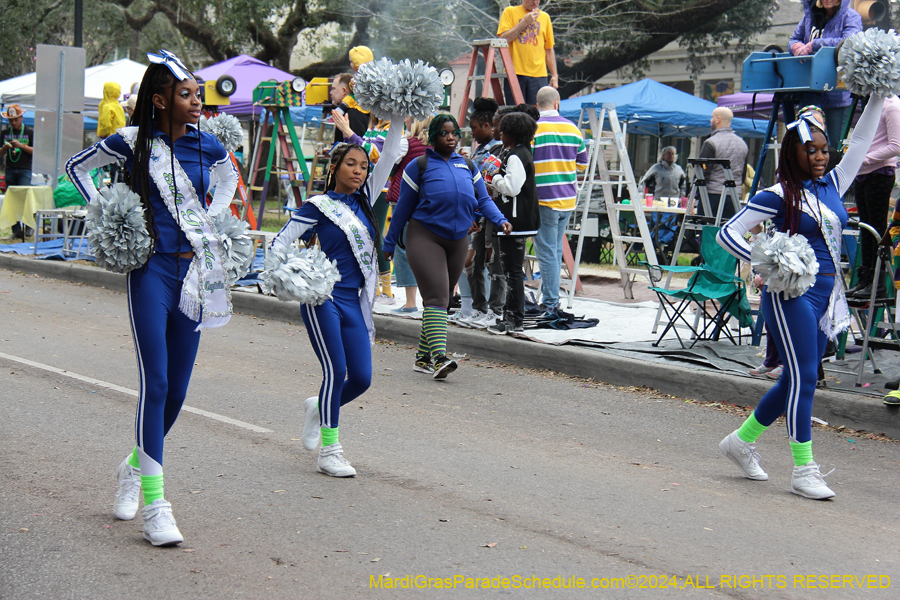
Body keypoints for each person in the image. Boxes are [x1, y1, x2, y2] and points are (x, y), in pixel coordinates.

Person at [66, 50, 240, 544]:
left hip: (193, 276)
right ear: (160, 100)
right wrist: (108, 212)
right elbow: (77, 167)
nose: (196, 103)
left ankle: (132, 467)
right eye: (186, 96)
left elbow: (229, 181)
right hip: (150, 273)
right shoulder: (133, 142)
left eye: (198, 96)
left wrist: (214, 219)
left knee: (179, 392)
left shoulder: (208, 146)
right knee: (157, 385)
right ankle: (157, 506)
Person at [716, 95, 884, 500]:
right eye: (813, 151)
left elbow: (861, 140)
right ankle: (804, 470)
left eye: (825, 150)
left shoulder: (833, 183)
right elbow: (729, 233)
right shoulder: (776, 194)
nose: (822, 157)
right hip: (791, 297)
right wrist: (765, 263)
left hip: (827, 297)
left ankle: (740, 441)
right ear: (795, 154)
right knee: (806, 378)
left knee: (796, 377)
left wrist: (879, 93)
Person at [270, 119, 403, 478]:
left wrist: (400, 113)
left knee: (361, 378)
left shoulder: (367, 199)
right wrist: (288, 276)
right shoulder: (319, 205)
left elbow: (390, 153)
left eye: (363, 167)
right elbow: (279, 242)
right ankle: (330, 451)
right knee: (336, 370)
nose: (359, 171)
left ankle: (319, 406)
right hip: (322, 297)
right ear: (335, 168)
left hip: (353, 301)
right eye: (351, 165)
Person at [383, 114, 512, 377]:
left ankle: (422, 358)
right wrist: (388, 244)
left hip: (457, 241)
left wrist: (500, 219)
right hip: (424, 236)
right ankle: (440, 358)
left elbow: (483, 199)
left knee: (440, 302)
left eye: (454, 133)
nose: (451, 138)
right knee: (437, 298)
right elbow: (402, 209)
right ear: (433, 136)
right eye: (444, 133)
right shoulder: (418, 166)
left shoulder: (467, 165)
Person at [532, 86, 589, 315]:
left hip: (544, 198)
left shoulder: (534, 129)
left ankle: (551, 302)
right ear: (557, 103)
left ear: (537, 106)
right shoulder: (573, 129)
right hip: (567, 198)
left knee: (546, 253)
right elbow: (583, 164)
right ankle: (551, 299)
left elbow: (526, 162)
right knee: (554, 250)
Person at [486, 111, 539, 334]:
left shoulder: (517, 156)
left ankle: (515, 318)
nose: (499, 134)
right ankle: (510, 315)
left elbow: (512, 187)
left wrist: (494, 177)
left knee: (513, 272)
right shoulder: (520, 152)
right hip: (515, 220)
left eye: (503, 131)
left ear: (512, 134)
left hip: (515, 222)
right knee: (511, 270)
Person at [456, 98, 507, 329]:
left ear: (488, 126)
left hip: (487, 214)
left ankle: (494, 310)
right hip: (476, 214)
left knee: (491, 264)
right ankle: (476, 308)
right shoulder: (481, 150)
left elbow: (485, 186)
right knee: (473, 263)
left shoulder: (496, 151)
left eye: (475, 128)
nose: (472, 132)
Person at [847, 95, 900, 299]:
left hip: (879, 173)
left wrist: (866, 159)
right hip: (863, 173)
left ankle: (877, 282)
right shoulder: (872, 103)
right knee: (866, 229)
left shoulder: (892, 104)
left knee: (876, 229)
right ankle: (866, 278)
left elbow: (896, 145)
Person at [789, 1, 862, 148]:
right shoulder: (809, 18)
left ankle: (831, 170)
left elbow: (850, 42)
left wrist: (815, 44)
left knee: (835, 145)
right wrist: (796, 46)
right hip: (810, 89)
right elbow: (793, 39)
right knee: (807, 142)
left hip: (837, 92)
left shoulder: (851, 17)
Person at [497, 0, 558, 105]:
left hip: (539, 75)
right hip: (515, 73)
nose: (534, 2)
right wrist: (524, 22)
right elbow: (503, 40)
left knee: (537, 113)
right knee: (516, 113)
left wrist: (554, 75)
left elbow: (549, 49)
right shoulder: (510, 12)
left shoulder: (545, 17)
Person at [698, 107, 748, 221]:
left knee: (707, 233)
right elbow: (743, 174)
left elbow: (702, 172)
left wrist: (694, 196)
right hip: (734, 196)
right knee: (727, 233)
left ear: (718, 119)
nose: (710, 120)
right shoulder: (742, 143)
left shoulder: (711, 142)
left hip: (712, 195)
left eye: (712, 117)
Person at [1, 104, 35, 239]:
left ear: (21, 118)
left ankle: (28, 226)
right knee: (12, 200)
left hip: (25, 169)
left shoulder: (30, 132)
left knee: (25, 197)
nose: (13, 122)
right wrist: (5, 148)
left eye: (16, 119)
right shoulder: (4, 133)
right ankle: (16, 230)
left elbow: (36, 151)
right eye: (10, 120)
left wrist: (21, 146)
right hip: (9, 168)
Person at [330, 73, 369, 143]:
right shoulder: (349, 112)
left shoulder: (353, 114)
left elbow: (356, 148)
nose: (331, 92)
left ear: (344, 91)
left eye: (333, 89)